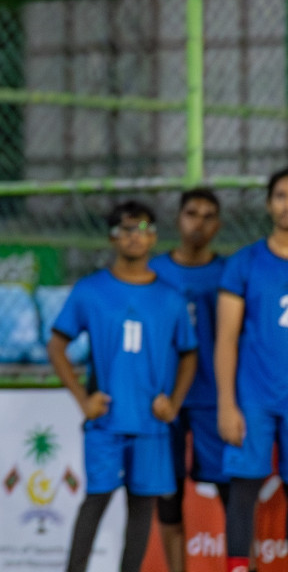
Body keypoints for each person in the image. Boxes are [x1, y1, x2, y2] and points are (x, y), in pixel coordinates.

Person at [49, 201, 197, 572]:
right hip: (106, 423)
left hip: (150, 425)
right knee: (95, 501)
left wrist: (174, 403)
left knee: (141, 509)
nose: (134, 236)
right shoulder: (91, 290)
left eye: (142, 227)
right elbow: (57, 345)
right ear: (112, 237)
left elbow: (189, 354)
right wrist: (83, 399)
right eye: (125, 228)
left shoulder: (170, 298)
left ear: (154, 236)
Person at [149, 188, 228, 572]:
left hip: (215, 399)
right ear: (178, 219)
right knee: (169, 493)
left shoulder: (228, 273)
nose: (199, 222)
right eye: (191, 213)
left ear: (219, 225)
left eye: (208, 215)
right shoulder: (156, 273)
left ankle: (240, 563)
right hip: (166, 402)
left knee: (232, 490)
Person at [216, 167, 288, 572]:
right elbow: (225, 338)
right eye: (280, 195)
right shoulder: (246, 262)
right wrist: (227, 403)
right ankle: (239, 567)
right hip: (254, 398)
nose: (287, 204)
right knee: (244, 488)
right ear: (268, 203)